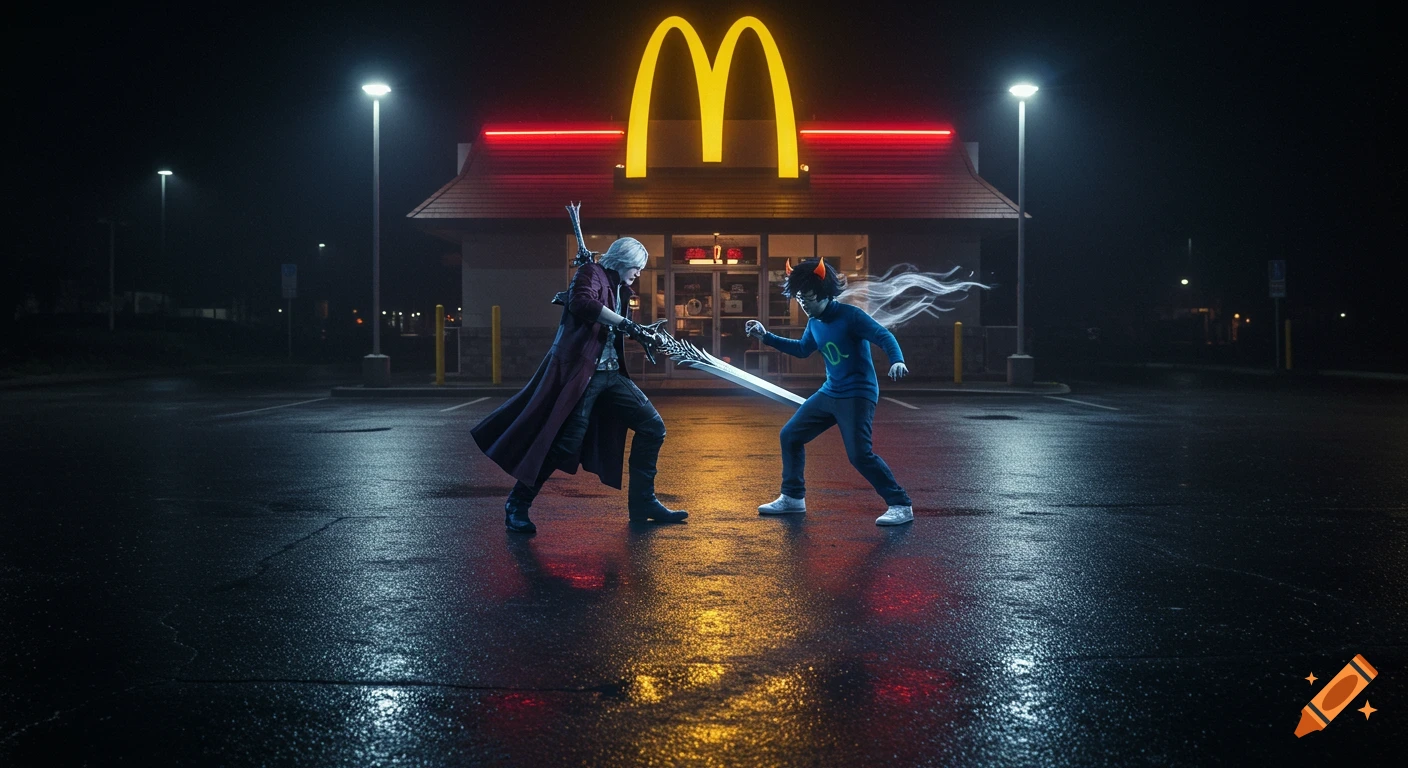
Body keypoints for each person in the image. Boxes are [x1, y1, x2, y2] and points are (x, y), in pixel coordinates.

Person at [471, 238, 687, 533]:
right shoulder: (590, 273)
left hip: (612, 375)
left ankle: (642, 503)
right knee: (563, 444)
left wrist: (640, 333)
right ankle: (517, 503)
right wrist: (626, 324)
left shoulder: (620, 287)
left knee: (653, 427)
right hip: (583, 373)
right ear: (623, 259)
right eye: (637, 266)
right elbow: (582, 303)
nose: (639, 272)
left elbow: (613, 327)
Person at [745, 258, 914, 525]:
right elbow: (802, 350)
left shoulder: (851, 316)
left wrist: (897, 360)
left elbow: (884, 336)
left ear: (824, 293)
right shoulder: (814, 323)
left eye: (809, 299)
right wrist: (766, 337)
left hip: (858, 394)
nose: (804, 305)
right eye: (800, 300)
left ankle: (900, 504)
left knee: (859, 455)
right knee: (790, 436)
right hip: (830, 393)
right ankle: (792, 498)